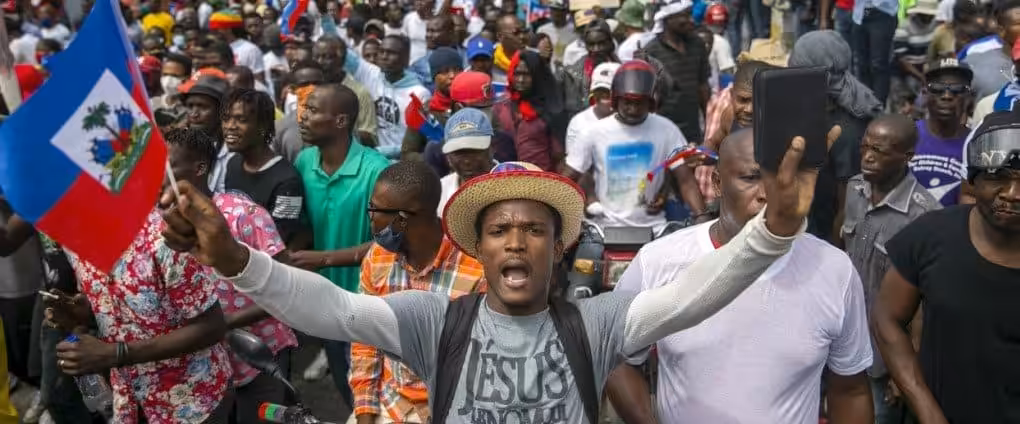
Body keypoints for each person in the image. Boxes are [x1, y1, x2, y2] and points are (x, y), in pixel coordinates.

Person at [157, 113, 832, 423]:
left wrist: (773, 232)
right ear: (479, 251)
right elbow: (332, 312)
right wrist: (238, 261)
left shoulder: (596, 325)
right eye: (501, 229)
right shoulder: (432, 321)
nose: (517, 242)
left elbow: (694, 294)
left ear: (557, 247)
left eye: (534, 230)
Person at [610, 125, 873, 424]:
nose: (767, 193)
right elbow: (615, 358)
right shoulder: (658, 261)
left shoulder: (835, 271)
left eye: (780, 177)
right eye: (751, 178)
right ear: (718, 183)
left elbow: (850, 390)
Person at [873, 110, 1020, 423]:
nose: (1011, 194)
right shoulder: (929, 236)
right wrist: (926, 410)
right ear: (972, 179)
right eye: (997, 177)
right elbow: (887, 318)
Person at [46, 209, 233, 422]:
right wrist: (85, 315)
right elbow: (120, 307)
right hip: (129, 403)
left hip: (193, 403)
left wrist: (117, 354)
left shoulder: (162, 236)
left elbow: (212, 326)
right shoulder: (73, 241)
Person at [165, 127, 298, 424]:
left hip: (260, 355)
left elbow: (286, 288)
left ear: (199, 168)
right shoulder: (159, 228)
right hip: (200, 365)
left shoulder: (243, 215)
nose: (157, 174)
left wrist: (219, 325)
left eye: (167, 165)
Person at [350, 160, 487, 424]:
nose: (370, 217)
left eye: (374, 209)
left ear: (403, 218)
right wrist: (365, 414)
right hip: (389, 404)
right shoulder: (378, 259)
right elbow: (365, 343)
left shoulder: (476, 271)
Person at [289, 83, 390, 407]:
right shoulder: (304, 162)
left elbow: (391, 245)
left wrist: (324, 259)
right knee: (347, 389)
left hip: (368, 306)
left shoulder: (376, 170)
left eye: (314, 110)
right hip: (325, 306)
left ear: (341, 121)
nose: (302, 117)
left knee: (372, 394)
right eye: (304, 109)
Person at [839, 114, 940, 423]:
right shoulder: (855, 189)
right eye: (865, 147)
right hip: (843, 345)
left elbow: (925, 304)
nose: (867, 157)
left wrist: (905, 373)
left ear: (907, 157)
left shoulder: (925, 215)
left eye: (879, 151)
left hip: (883, 361)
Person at [565, 60, 707, 231]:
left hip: (655, 229)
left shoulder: (667, 130)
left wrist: (701, 217)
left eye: (639, 103)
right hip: (603, 229)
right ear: (616, 100)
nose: (633, 109)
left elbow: (685, 180)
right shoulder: (593, 132)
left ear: (651, 102)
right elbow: (568, 178)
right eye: (627, 102)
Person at [788, 30, 883, 243]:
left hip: (826, 233)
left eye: (798, 69)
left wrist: (832, 253)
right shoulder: (818, 100)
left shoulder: (847, 129)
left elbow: (847, 206)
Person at [222, 89, 310, 250]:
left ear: (262, 127)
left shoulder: (287, 181)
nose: (230, 127)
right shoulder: (233, 164)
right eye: (226, 119)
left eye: (241, 120)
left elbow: (279, 241)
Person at [343, 34, 431, 159]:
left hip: (402, 162)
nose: (384, 57)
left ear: (405, 59)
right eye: (381, 51)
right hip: (371, 159)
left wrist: (385, 152)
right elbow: (342, 52)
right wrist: (326, 17)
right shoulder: (372, 75)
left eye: (391, 53)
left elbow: (421, 142)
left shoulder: (420, 94)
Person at [643, 0, 711, 143]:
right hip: (662, 130)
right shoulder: (651, 51)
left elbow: (703, 86)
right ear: (668, 19)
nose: (690, 20)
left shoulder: (697, 44)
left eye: (689, 15)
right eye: (684, 16)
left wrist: (709, 121)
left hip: (693, 130)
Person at [911, 58, 973, 207]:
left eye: (958, 89)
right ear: (925, 94)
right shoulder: (907, 135)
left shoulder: (975, 144)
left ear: (968, 97)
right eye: (937, 88)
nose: (946, 96)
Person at [492, 50, 565, 171]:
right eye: (517, 74)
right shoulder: (501, 107)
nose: (520, 80)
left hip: (541, 181)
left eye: (526, 74)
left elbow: (559, 155)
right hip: (506, 180)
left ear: (537, 76)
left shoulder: (552, 108)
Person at [312, 35, 379, 146]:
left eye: (326, 57)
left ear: (342, 60)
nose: (320, 62)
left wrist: (335, 130)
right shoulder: (310, 90)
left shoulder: (359, 93)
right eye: (316, 57)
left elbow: (370, 138)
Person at [437, 108, 499, 214]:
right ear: (448, 156)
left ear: (492, 147)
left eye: (474, 151)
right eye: (458, 153)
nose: (466, 161)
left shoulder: (517, 187)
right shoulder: (439, 192)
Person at [559, 19, 619, 119]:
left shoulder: (621, 71)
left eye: (601, 43)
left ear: (610, 43)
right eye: (591, 44)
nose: (596, 49)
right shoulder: (571, 74)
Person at [565, 62, 619, 153]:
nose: (604, 95)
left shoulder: (630, 120)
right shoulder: (578, 122)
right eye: (599, 90)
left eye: (609, 91)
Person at [209, 9, 265, 82]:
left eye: (216, 29)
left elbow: (258, 79)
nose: (213, 33)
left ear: (228, 29)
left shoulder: (250, 49)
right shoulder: (213, 48)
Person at [409, 15, 461, 91]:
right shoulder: (418, 65)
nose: (428, 35)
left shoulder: (468, 58)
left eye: (434, 31)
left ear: (450, 32)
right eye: (427, 31)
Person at [537, 1, 576, 67]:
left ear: (566, 11)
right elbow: (537, 53)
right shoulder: (542, 30)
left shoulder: (575, 30)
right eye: (553, 9)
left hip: (568, 72)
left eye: (558, 10)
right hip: (549, 72)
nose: (555, 12)